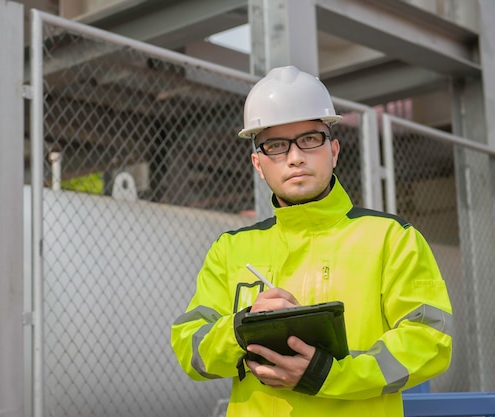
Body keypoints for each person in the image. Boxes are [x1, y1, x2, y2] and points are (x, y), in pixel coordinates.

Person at [170, 66, 452, 416]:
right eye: (276, 145)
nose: (295, 156)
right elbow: (189, 348)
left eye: (309, 139)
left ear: (333, 151)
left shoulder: (392, 239)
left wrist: (329, 374)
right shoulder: (230, 250)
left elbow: (430, 342)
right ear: (258, 164)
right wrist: (240, 329)